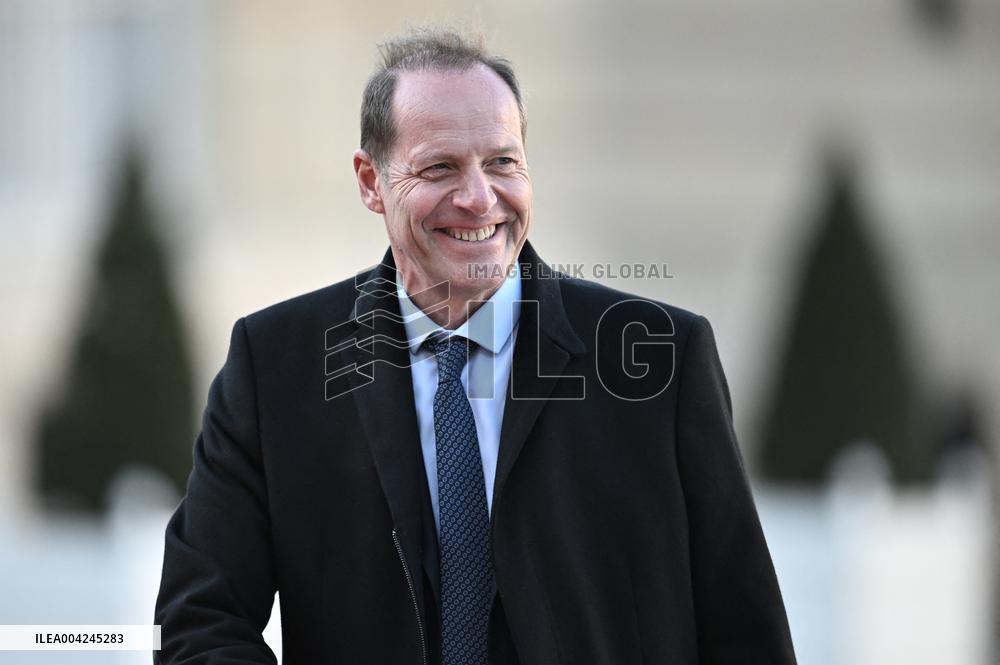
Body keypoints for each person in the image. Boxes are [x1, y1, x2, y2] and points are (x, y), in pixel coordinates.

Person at [154, 30, 797, 665]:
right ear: (371, 181)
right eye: (439, 167)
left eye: (502, 162)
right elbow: (199, 623)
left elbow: (745, 630)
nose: (479, 198)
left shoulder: (660, 358)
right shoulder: (275, 366)